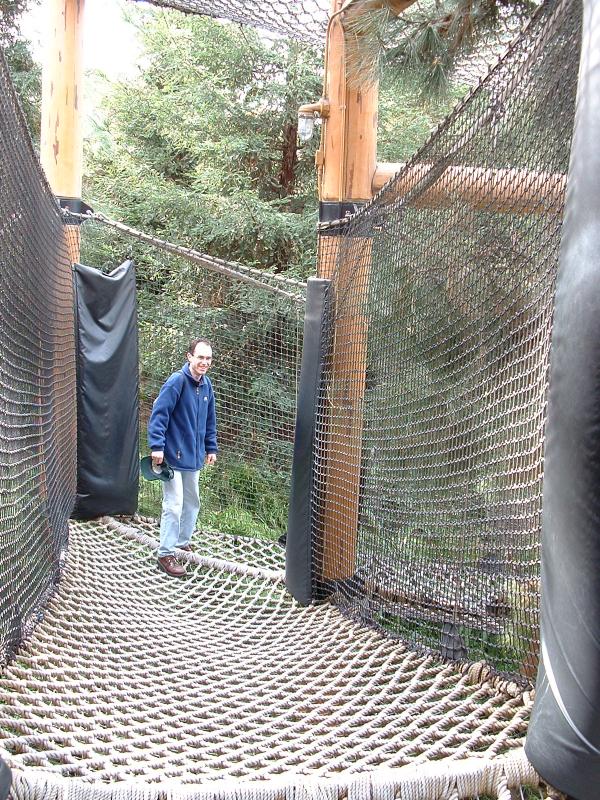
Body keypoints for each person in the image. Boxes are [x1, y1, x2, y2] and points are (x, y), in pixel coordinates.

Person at [148, 338, 218, 577]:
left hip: (194, 457)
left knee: (192, 501)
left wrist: (211, 448)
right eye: (200, 357)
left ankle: (181, 542)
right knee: (174, 504)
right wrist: (157, 446)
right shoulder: (176, 381)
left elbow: (210, 420)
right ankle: (165, 554)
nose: (204, 362)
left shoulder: (207, 385)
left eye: (208, 358)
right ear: (189, 357)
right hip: (172, 456)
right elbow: (159, 414)